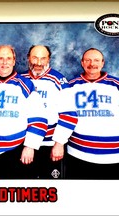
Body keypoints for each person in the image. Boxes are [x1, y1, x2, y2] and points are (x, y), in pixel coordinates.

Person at [0, 44, 48, 179]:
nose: (5, 62)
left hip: (16, 152)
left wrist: (30, 146)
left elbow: (39, 118)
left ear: (14, 61)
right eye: (1, 58)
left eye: (8, 58)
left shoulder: (25, 85)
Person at [22, 45, 78, 179]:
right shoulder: (20, 79)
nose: (39, 63)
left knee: (51, 189)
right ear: (28, 58)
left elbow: (69, 114)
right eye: (35, 58)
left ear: (49, 59)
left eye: (43, 58)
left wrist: (59, 143)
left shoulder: (58, 80)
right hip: (25, 145)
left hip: (50, 145)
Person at [66, 48, 119, 179]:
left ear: (103, 63)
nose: (92, 64)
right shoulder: (70, 86)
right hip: (78, 153)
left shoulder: (116, 85)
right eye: (88, 60)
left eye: (96, 60)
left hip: (113, 156)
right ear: (82, 63)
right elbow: (64, 117)